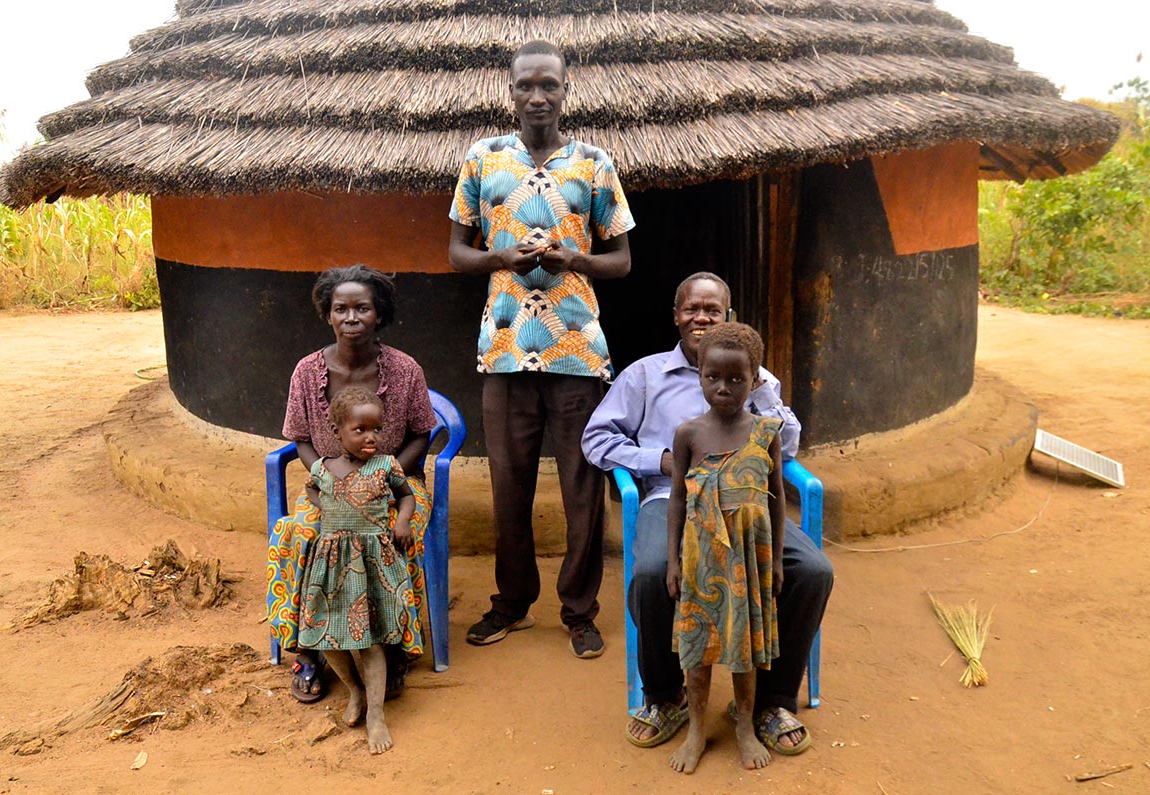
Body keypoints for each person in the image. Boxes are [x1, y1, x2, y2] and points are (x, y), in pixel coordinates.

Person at [582, 272, 833, 754]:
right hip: (671, 499)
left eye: (712, 310)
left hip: (751, 505)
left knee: (814, 571)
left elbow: (789, 445)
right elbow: (595, 438)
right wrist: (657, 461)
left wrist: (758, 389)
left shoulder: (757, 379)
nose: (701, 317)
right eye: (691, 309)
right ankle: (665, 697)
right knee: (655, 572)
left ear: (727, 317)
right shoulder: (645, 375)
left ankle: (768, 702)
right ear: (676, 317)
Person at [448, 40, 634, 658]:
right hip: (504, 347)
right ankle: (512, 602)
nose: (537, 95)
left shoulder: (594, 163)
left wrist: (574, 259)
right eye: (525, 84)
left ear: (565, 90)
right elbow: (456, 253)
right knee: (509, 481)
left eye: (548, 85)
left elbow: (623, 260)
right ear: (510, 91)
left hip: (576, 349)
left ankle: (580, 611)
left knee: (582, 483)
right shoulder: (482, 158)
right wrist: (498, 257)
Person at [266, 265, 438, 703]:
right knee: (299, 533)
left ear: (378, 314)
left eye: (362, 308)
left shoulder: (404, 370)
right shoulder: (307, 372)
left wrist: (384, 475)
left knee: (392, 537)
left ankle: (393, 646)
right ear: (327, 314)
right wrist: (328, 479)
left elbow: (423, 432)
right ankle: (308, 650)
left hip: (396, 486)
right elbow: (300, 438)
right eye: (341, 308)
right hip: (330, 486)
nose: (352, 317)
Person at [664, 322, 784, 773]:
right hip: (701, 559)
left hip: (749, 562)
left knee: (744, 650)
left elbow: (776, 500)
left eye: (736, 379)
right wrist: (673, 561)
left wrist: (775, 565)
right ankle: (696, 728)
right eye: (713, 377)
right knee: (698, 652)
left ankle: (745, 726)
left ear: (755, 380)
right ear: (699, 374)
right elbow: (677, 498)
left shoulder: (766, 432)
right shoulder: (688, 434)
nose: (723, 388)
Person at [298, 386, 420, 754]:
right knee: (326, 637)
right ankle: (355, 691)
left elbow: (407, 494)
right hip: (332, 566)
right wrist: (330, 506)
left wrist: (402, 521)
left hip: (372, 564)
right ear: (337, 431)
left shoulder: (386, 466)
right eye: (360, 430)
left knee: (371, 643)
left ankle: (376, 715)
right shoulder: (322, 468)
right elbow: (310, 489)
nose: (371, 438)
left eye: (376, 430)